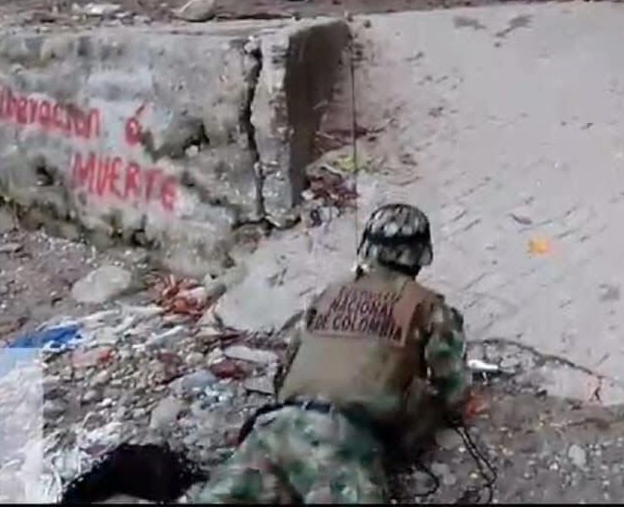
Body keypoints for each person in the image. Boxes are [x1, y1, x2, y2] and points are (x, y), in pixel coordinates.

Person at [197, 203, 473, 504]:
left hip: (274, 428)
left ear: (367, 249)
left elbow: (286, 369)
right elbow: (453, 391)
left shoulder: (329, 295)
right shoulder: (430, 308)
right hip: (340, 440)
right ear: (421, 254)